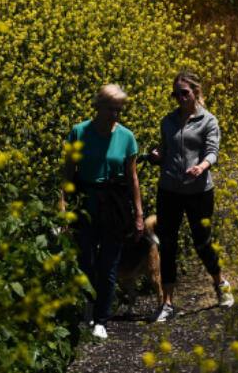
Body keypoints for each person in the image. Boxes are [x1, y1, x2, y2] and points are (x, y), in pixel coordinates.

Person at [146, 71, 234, 323]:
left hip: (199, 191)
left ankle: (220, 284)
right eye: (176, 94)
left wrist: (202, 167)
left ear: (196, 92)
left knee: (202, 243)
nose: (179, 98)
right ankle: (167, 303)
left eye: (184, 93)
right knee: (168, 246)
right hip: (169, 190)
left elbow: (213, 151)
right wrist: (157, 156)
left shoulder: (209, 121)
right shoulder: (168, 121)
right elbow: (166, 148)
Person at [60, 84, 145, 341]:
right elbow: (67, 172)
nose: (115, 115)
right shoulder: (79, 132)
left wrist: (139, 214)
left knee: (109, 264)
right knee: (86, 261)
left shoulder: (127, 137)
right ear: (97, 106)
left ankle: (101, 319)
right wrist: (62, 207)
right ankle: (88, 304)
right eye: (110, 109)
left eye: (119, 110)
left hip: (115, 202)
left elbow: (132, 178)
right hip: (86, 200)